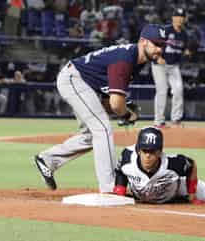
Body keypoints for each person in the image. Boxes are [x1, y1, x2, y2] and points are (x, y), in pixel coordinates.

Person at [33, 24, 166, 193]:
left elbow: (108, 95)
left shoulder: (137, 59)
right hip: (74, 79)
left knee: (92, 134)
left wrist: (121, 108)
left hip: (86, 84)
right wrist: (126, 114)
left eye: (162, 45)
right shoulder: (125, 59)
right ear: (142, 42)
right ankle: (109, 187)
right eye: (156, 44)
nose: (159, 49)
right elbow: (116, 104)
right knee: (102, 128)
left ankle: (47, 160)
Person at [113, 126, 205, 204]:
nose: (148, 155)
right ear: (138, 150)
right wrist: (119, 190)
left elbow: (191, 165)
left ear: (160, 151)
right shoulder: (127, 158)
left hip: (179, 188)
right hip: (152, 192)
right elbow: (120, 171)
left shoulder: (173, 163)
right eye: (144, 151)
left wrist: (191, 195)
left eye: (152, 151)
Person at [152, 8, 192, 128]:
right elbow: (152, 45)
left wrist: (186, 52)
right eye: (177, 16)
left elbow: (183, 49)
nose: (179, 19)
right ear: (173, 18)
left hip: (173, 66)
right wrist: (156, 58)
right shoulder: (165, 31)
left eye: (182, 17)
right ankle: (159, 121)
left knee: (179, 90)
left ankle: (176, 120)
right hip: (159, 65)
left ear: (184, 19)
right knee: (162, 91)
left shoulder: (184, 34)